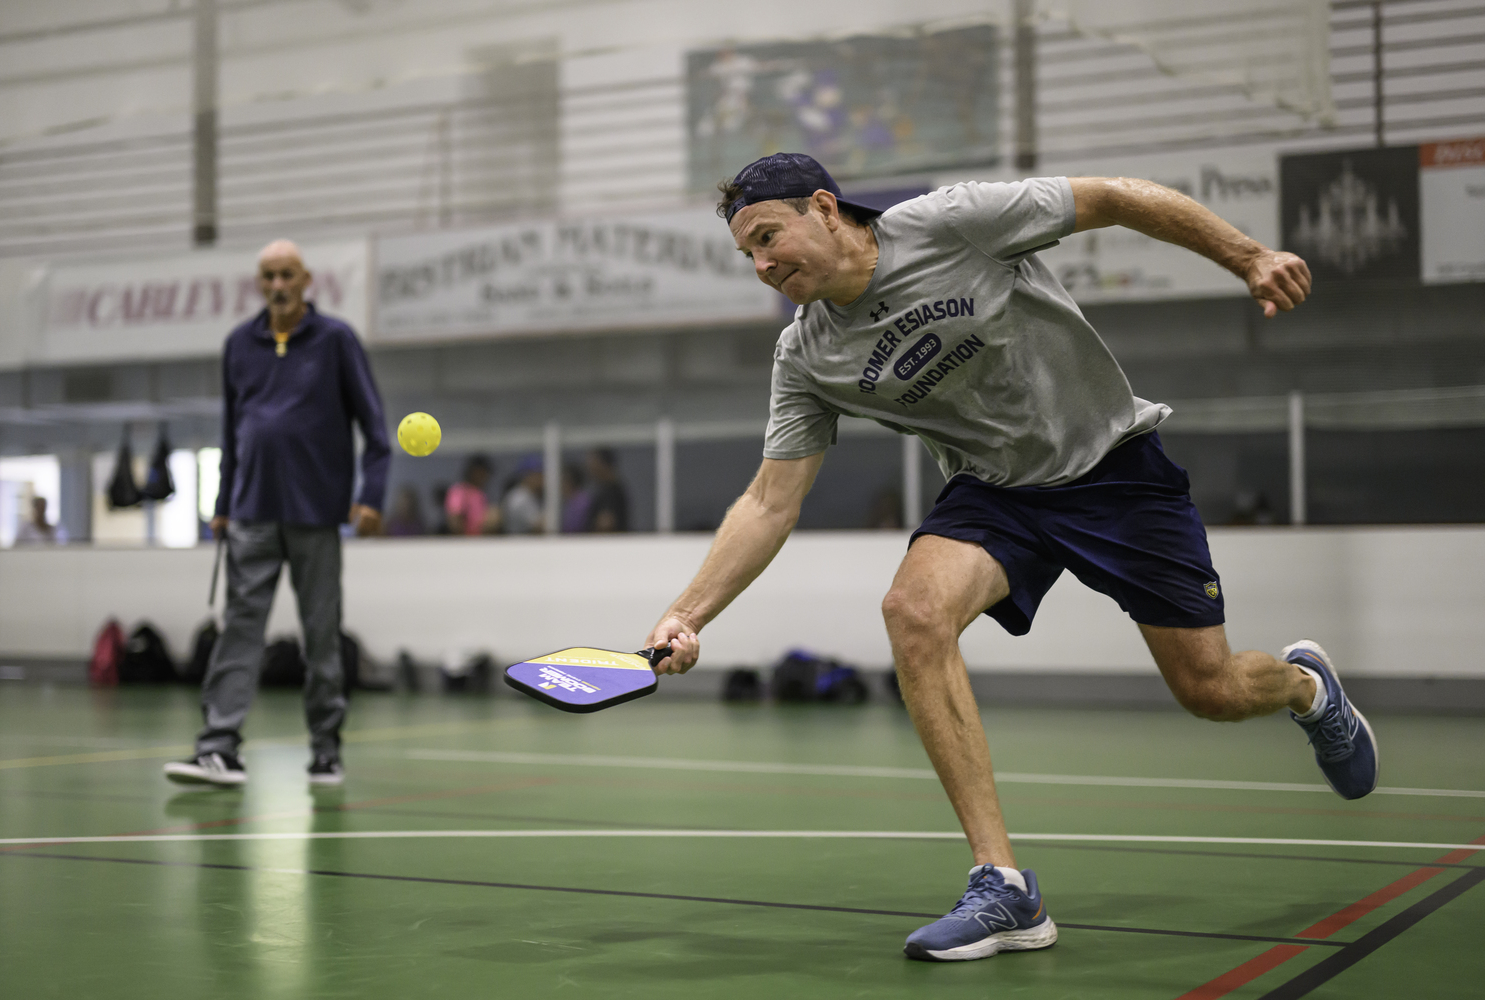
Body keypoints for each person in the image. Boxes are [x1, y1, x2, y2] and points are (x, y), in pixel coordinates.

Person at [643, 153, 1376, 964]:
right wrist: (687, 613)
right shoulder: (808, 356)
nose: (762, 266)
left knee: (1212, 689)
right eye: (748, 254)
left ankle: (1307, 688)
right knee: (913, 613)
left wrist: (1249, 256)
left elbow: (1114, 197)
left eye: (768, 237)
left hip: (1113, 470)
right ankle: (1005, 888)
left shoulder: (950, 222)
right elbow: (769, 502)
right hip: (999, 496)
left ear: (824, 207)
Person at [164, 239, 390, 789]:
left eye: (288, 274)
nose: (279, 285)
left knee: (321, 636)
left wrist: (372, 497)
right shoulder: (239, 344)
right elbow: (231, 433)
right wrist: (221, 504)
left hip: (318, 515)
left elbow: (377, 432)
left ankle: (325, 750)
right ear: (259, 282)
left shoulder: (336, 341)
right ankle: (218, 747)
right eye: (269, 276)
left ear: (307, 279)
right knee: (239, 631)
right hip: (251, 514)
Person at [445, 454, 500, 535]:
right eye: (482, 473)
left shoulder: (481, 494)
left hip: (479, 542)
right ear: (474, 471)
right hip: (463, 543)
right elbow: (454, 520)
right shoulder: (459, 491)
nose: (485, 477)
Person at [586, 447, 630, 532]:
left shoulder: (612, 491)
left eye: (593, 464)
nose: (590, 469)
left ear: (603, 464)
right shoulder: (602, 489)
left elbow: (606, 523)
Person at [501, 455, 545, 534]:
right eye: (539, 474)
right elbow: (538, 525)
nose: (542, 479)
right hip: (518, 542)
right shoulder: (520, 497)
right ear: (529, 475)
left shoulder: (528, 495)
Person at [561, 463, 593, 533]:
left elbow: (574, 528)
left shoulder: (581, 502)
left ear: (569, 482)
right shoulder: (569, 501)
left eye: (562, 481)